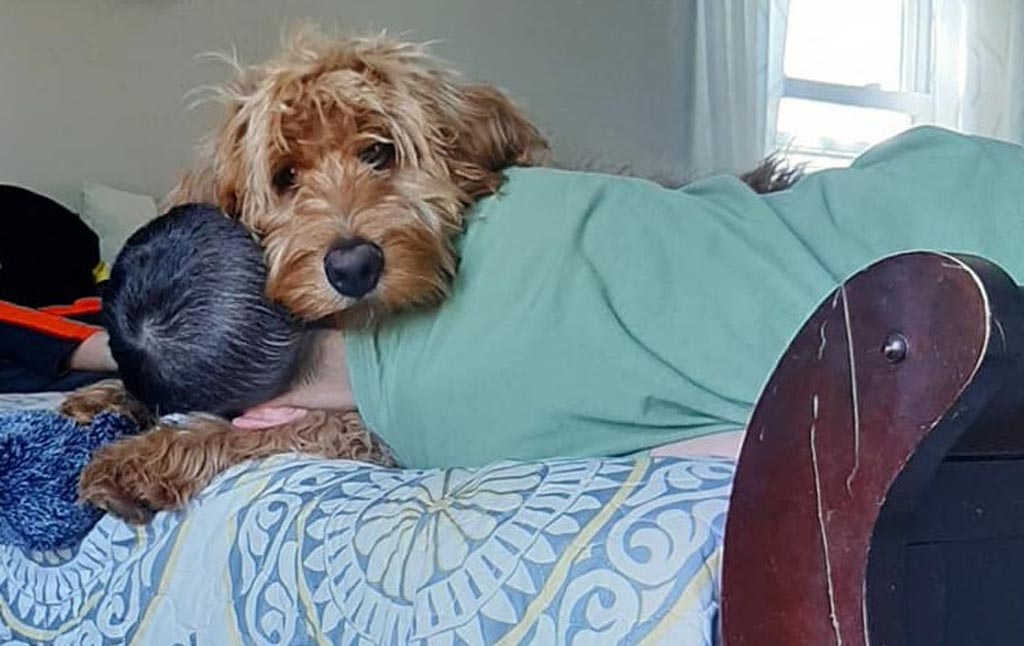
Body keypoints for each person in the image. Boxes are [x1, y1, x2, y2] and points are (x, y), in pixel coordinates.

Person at [236, 127, 1024, 469]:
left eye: (378, 155)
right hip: (949, 192)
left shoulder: (440, 429)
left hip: (938, 276)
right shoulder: (544, 207)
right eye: (290, 180)